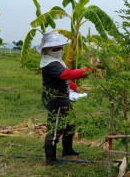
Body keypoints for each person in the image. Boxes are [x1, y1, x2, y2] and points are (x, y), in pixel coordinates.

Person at [36, 31, 102, 165]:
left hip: (63, 98)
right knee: (55, 128)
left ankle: (67, 150)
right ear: (47, 50)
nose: (59, 50)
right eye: (55, 48)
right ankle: (51, 160)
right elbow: (67, 74)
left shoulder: (55, 60)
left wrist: (74, 87)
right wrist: (91, 69)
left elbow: (63, 79)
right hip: (56, 100)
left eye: (60, 47)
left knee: (70, 124)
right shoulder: (50, 63)